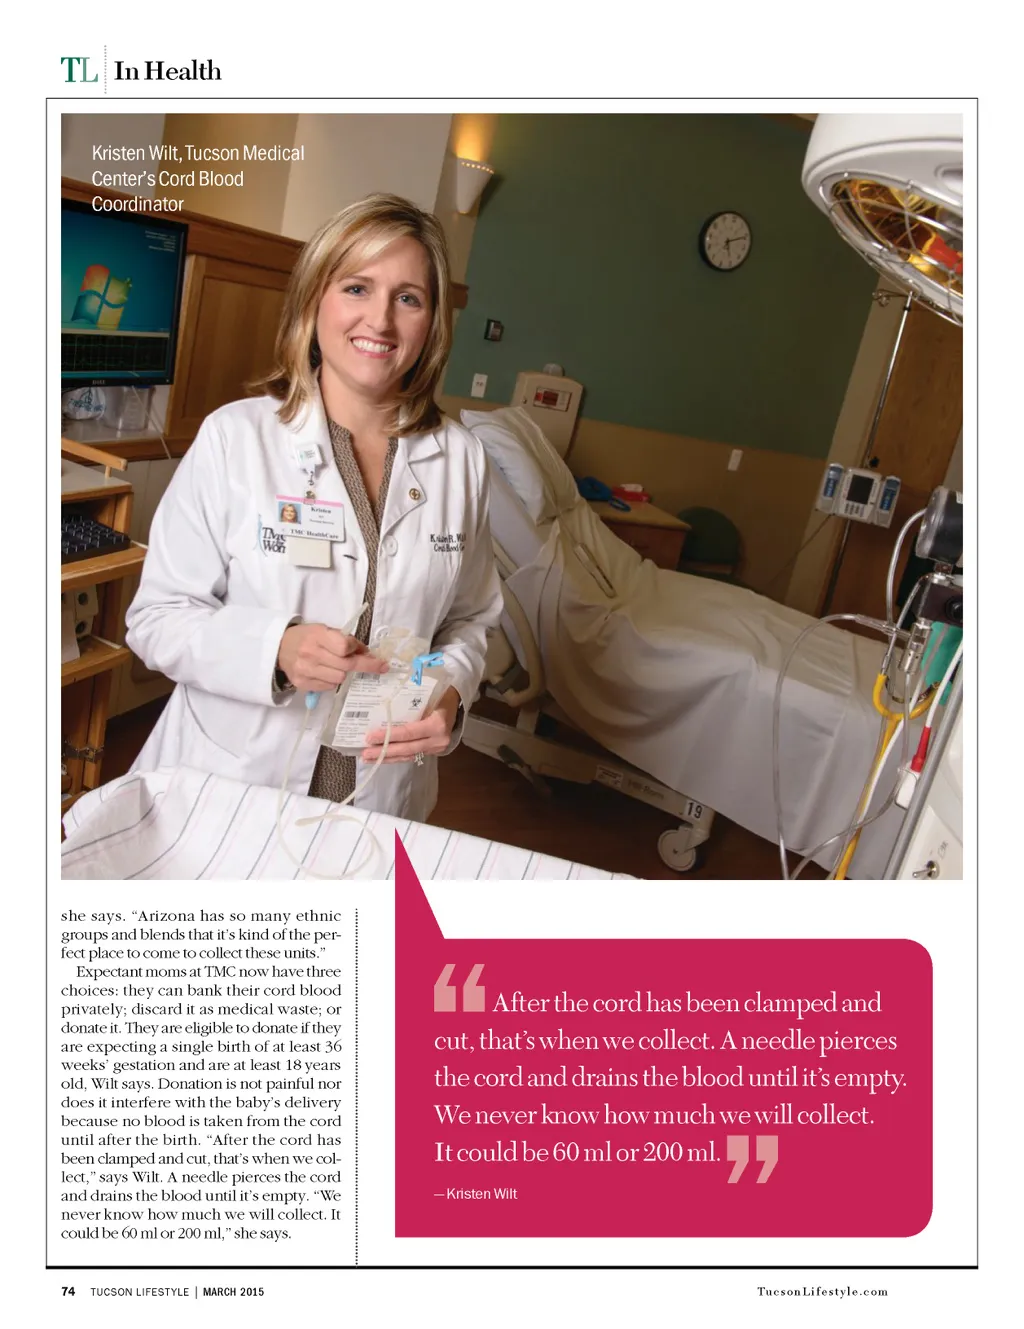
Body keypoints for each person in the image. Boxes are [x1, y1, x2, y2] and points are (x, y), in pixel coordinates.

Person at [125, 194, 503, 822]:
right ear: (314, 300)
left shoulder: (461, 459)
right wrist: (274, 647)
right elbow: (156, 619)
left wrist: (452, 690)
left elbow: (471, 621)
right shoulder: (236, 439)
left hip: (383, 792)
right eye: (357, 288)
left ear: (433, 323)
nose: (380, 320)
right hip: (230, 783)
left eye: (409, 298)